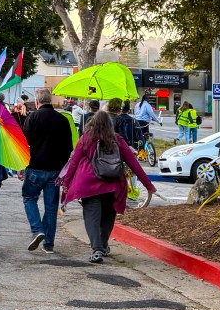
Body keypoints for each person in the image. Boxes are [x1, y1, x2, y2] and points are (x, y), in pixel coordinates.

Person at [60, 110, 156, 263]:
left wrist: (66, 183)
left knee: (91, 218)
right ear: (109, 125)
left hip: (88, 185)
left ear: (92, 122)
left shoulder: (85, 139)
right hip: (113, 185)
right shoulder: (117, 139)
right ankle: (103, 245)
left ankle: (97, 249)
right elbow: (134, 163)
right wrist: (148, 185)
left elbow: (73, 163)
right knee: (108, 217)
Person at [20, 87, 73, 253]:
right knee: (51, 207)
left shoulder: (32, 118)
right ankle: (48, 244)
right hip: (55, 170)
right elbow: (68, 147)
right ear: (49, 100)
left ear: (37, 101)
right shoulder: (63, 120)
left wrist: (21, 166)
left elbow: (24, 145)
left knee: (29, 198)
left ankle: (37, 230)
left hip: (35, 167)